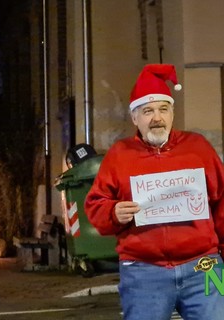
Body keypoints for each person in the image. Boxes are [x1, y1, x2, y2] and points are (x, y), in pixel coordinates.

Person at [84, 64, 224, 320]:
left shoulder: (198, 148)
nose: (156, 118)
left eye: (163, 109)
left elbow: (221, 201)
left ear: (172, 113)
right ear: (134, 118)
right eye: (147, 111)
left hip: (204, 267)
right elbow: (95, 205)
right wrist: (113, 211)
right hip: (142, 272)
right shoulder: (119, 155)